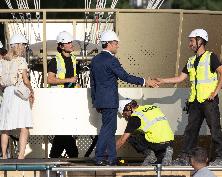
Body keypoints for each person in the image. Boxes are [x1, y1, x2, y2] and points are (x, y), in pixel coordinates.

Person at [156, 29, 222, 166]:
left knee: (215, 129)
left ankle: (220, 158)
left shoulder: (210, 57)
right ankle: (185, 157)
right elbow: (180, 78)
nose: (190, 44)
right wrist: (162, 80)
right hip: (195, 101)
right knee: (191, 130)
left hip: (208, 100)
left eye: (192, 41)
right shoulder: (191, 61)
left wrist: (215, 92)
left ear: (200, 41)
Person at [90, 30, 158, 165]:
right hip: (110, 101)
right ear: (109, 43)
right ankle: (99, 157)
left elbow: (93, 83)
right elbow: (125, 77)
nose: (117, 46)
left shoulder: (95, 60)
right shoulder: (112, 60)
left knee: (110, 129)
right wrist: (145, 82)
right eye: (116, 43)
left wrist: (95, 102)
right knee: (107, 129)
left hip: (101, 101)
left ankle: (112, 158)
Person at [0, 35, 34, 159]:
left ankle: (4, 155)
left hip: (7, 93)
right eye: (24, 45)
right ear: (19, 46)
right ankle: (20, 155)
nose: (25, 48)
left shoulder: (3, 61)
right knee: (24, 126)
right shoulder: (21, 60)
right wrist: (31, 90)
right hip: (19, 93)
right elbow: (25, 80)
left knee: (5, 127)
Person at [47, 31, 79, 158]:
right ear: (61, 46)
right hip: (58, 100)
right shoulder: (55, 61)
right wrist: (69, 80)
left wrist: (75, 85)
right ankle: (72, 154)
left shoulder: (73, 59)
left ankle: (55, 156)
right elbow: (50, 79)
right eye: (68, 43)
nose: (71, 44)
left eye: (71, 42)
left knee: (64, 130)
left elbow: (73, 80)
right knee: (63, 129)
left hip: (70, 99)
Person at [116, 99, 174, 165]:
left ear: (128, 108)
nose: (126, 117)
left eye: (125, 114)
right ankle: (168, 150)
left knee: (131, 136)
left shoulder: (135, 117)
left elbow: (122, 140)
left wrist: (109, 153)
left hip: (156, 144)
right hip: (169, 141)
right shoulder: (152, 107)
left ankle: (150, 155)